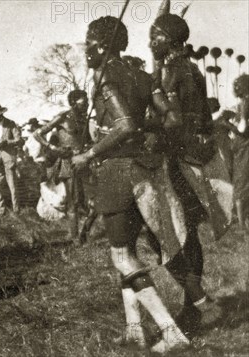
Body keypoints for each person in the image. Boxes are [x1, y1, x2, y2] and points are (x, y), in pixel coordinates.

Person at [72, 16, 190, 353]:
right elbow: (172, 118)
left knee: (123, 257)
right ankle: (135, 329)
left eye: (89, 43)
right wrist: (146, 134)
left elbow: (124, 124)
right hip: (145, 168)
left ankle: (170, 331)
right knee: (127, 251)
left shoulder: (106, 75)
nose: (86, 51)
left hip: (118, 171)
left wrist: (89, 154)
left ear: (103, 45)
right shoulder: (142, 74)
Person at [150, 12, 226, 331]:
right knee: (188, 234)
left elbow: (173, 119)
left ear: (168, 39)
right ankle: (191, 307)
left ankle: (196, 304)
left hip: (176, 157)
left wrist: (147, 125)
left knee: (169, 235)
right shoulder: (192, 67)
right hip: (195, 157)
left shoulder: (170, 69)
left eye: (155, 36)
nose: (151, 42)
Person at [33, 90, 91, 243]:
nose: (87, 104)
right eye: (83, 101)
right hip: (68, 163)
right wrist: (52, 148)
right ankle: (75, 237)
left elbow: (88, 141)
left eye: (87, 101)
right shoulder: (63, 117)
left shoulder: (84, 120)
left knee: (89, 200)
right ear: (73, 102)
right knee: (74, 201)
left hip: (84, 161)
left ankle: (85, 232)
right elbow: (37, 134)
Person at [230, 74, 249, 231]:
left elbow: (242, 128)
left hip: (244, 146)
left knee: (241, 183)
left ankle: (242, 225)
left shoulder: (245, 102)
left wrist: (227, 125)